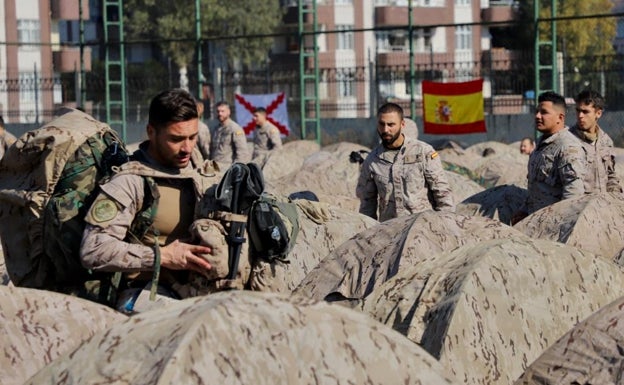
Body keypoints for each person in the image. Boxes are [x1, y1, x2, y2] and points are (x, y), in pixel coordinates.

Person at [80, 88, 218, 309]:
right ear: (151, 132)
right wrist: (161, 256)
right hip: (144, 292)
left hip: (198, 288)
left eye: (193, 138)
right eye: (176, 139)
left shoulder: (198, 170)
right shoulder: (130, 181)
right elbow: (93, 248)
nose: (187, 148)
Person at [356, 102, 454, 222]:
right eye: (382, 124)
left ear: (402, 124)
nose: (385, 129)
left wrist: (445, 225)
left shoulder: (423, 152)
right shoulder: (372, 160)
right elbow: (367, 205)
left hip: (421, 229)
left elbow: (442, 194)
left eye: (391, 124)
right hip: (389, 232)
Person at [513, 91, 586, 222]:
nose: (537, 116)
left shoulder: (568, 147)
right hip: (535, 222)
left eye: (544, 112)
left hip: (553, 225)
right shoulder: (541, 145)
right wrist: (524, 211)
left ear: (560, 117)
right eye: (536, 111)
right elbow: (535, 187)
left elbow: (573, 195)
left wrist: (557, 225)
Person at [569, 89, 623, 194]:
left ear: (598, 113)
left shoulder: (606, 142)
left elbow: (610, 176)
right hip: (577, 205)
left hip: (600, 205)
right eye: (578, 110)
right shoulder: (568, 140)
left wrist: (615, 195)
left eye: (585, 112)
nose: (580, 116)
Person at [210, 100, 250, 167]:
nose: (220, 113)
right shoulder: (216, 129)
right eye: (218, 111)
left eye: (222, 111)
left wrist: (236, 170)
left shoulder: (235, 129)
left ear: (228, 112)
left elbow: (242, 154)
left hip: (227, 168)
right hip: (215, 167)